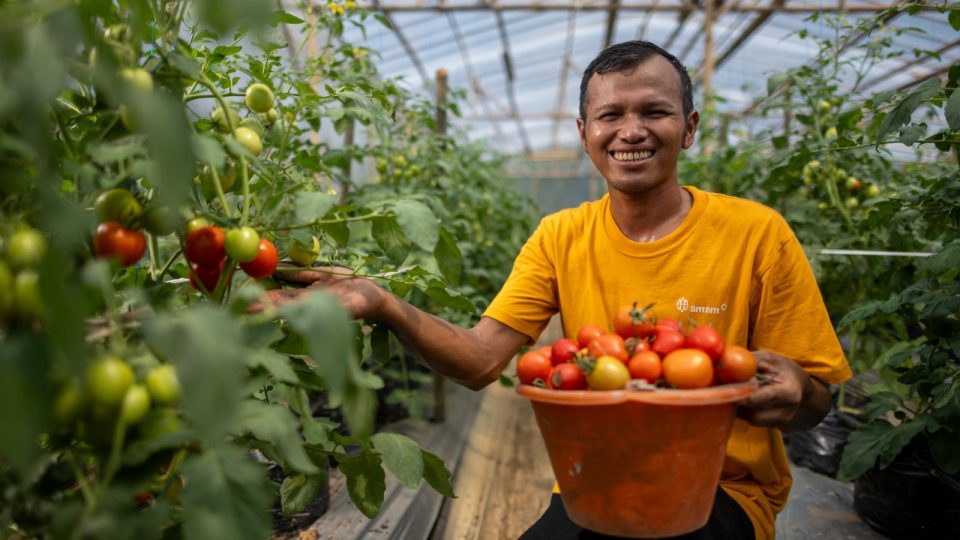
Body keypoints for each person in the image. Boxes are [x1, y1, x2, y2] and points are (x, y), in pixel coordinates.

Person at [265, 40, 852, 540]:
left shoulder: (757, 233)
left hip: (720, 489)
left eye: (655, 111)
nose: (631, 131)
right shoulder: (560, 236)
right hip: (594, 481)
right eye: (610, 114)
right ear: (584, 132)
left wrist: (800, 391)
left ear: (690, 128)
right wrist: (385, 302)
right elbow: (480, 360)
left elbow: (815, 405)